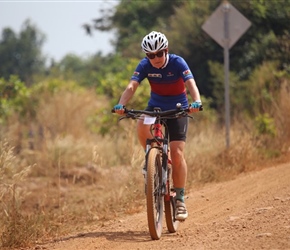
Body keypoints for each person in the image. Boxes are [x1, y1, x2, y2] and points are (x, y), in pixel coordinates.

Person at [113, 31, 202, 221]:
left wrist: (196, 101)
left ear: (166, 51)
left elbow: (190, 83)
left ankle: (179, 200)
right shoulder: (145, 65)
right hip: (155, 107)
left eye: (159, 54)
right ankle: (150, 159)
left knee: (177, 154)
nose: (155, 58)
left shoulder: (178, 62)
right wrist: (121, 104)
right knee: (141, 123)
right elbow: (132, 86)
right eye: (150, 55)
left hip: (179, 108)